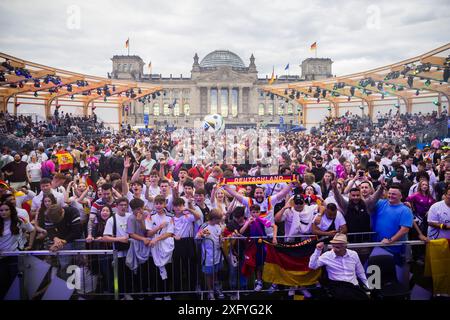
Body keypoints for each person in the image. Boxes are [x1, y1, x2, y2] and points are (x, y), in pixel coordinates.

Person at [308, 233, 369, 300]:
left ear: (345, 246)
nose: (334, 249)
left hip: (354, 286)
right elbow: (312, 266)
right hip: (337, 286)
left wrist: (368, 285)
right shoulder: (327, 255)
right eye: (333, 246)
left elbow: (360, 272)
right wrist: (318, 250)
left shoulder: (353, 254)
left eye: (337, 247)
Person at [239, 204, 278, 292]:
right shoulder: (248, 221)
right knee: (258, 265)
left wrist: (274, 238)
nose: (255, 214)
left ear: (259, 212)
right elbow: (241, 231)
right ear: (250, 213)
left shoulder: (261, 219)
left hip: (264, 245)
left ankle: (273, 283)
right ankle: (259, 282)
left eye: (257, 212)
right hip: (254, 246)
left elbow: (275, 226)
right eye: (253, 212)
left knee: (268, 264)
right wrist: (248, 223)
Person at [0, 201, 34, 299]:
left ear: (11, 210)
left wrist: (30, 245)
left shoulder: (19, 220)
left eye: (6, 210)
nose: (3, 212)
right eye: (1, 210)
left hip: (15, 256)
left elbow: (32, 230)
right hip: (1, 258)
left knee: (15, 282)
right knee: (2, 283)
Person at [171, 197, 201, 292]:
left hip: (188, 242)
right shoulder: (170, 218)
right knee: (177, 267)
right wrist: (173, 235)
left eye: (180, 205)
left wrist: (188, 209)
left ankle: (192, 289)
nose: (178, 208)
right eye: (176, 206)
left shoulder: (188, 215)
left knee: (190, 267)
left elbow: (198, 216)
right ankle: (177, 290)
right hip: (176, 243)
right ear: (173, 207)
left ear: (183, 206)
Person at [195, 208, 225, 300]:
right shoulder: (204, 226)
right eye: (219, 219)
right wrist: (200, 236)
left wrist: (222, 240)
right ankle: (210, 291)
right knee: (208, 274)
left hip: (218, 254)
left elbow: (220, 236)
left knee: (216, 272)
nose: (220, 221)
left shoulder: (218, 225)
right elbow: (197, 238)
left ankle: (216, 288)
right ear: (214, 218)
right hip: (208, 256)